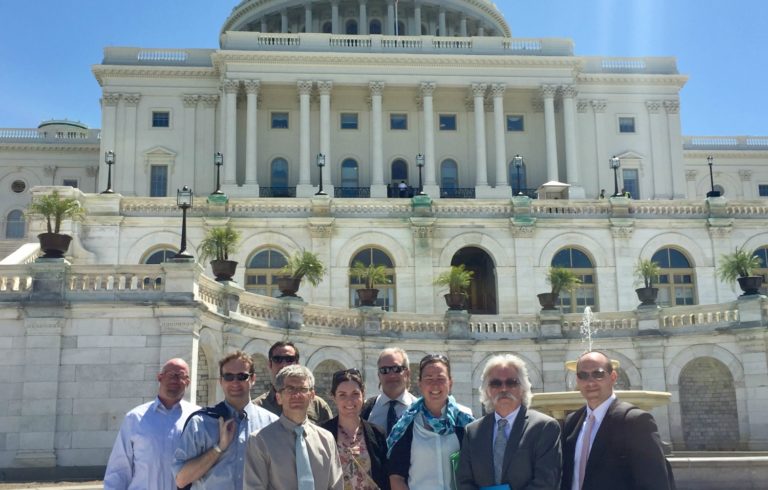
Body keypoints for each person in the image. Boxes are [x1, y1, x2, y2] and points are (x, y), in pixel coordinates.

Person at [561, 351, 674, 490]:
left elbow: (655, 482)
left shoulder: (636, 421)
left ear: (613, 377)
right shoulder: (571, 422)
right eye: (583, 376)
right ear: (578, 381)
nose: (590, 382)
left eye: (598, 374)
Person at [174, 351, 277, 490]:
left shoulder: (271, 423)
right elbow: (181, 479)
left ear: (253, 379)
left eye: (242, 376)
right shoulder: (200, 422)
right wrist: (218, 449)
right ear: (221, 381)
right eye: (228, 376)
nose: (235, 382)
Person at [457, 354, 561, 489]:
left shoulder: (545, 427)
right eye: (496, 383)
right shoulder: (472, 431)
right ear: (487, 390)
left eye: (511, 382)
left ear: (523, 387)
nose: (503, 389)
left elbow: (546, 482)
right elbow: (464, 481)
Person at [104, 358, 199, 490]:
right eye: (171, 374)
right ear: (159, 377)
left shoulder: (198, 417)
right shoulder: (135, 418)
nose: (175, 379)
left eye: (181, 375)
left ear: (188, 382)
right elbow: (119, 469)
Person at [244, 364, 343, 489]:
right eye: (290, 389)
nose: (297, 395)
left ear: (312, 395)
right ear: (279, 397)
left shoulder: (326, 439)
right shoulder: (259, 441)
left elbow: (336, 486)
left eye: (302, 389)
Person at [387, 354, 474, 490]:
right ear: (420, 384)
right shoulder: (406, 424)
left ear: (450, 383)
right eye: (428, 379)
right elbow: (396, 476)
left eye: (441, 378)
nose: (435, 385)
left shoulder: (465, 421)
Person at [322, 368, 390, 490]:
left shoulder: (377, 434)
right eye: (342, 395)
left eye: (355, 394)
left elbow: (385, 477)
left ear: (363, 395)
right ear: (333, 397)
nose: (349, 401)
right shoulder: (322, 433)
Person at [254, 341, 333, 424]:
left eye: (289, 359)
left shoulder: (318, 406)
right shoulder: (257, 406)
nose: (284, 365)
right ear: (270, 364)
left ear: (297, 364)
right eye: (277, 359)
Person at [361, 347, 417, 434]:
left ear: (407, 373)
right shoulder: (365, 409)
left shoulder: (420, 409)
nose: (391, 375)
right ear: (379, 375)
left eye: (396, 369)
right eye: (384, 370)